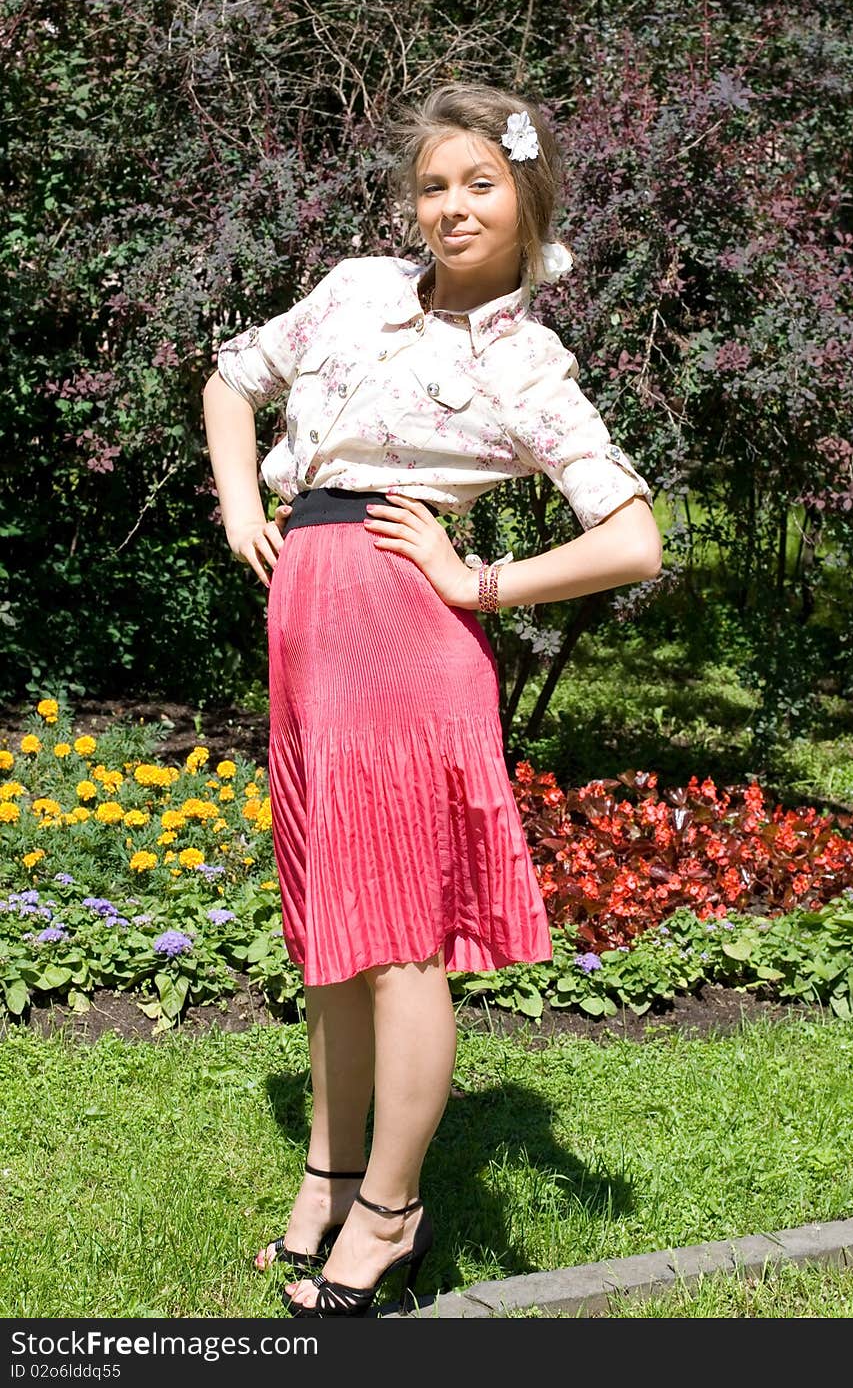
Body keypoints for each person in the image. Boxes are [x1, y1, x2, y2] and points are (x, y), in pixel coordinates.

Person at [201, 81, 662, 1319]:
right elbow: (233, 378)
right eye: (434, 185)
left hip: (408, 640)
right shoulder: (354, 288)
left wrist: (484, 578)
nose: (452, 207)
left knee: (397, 943)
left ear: (525, 199)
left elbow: (632, 538)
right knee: (333, 943)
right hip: (306, 622)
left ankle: (392, 1215)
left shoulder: (521, 356)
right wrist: (245, 505)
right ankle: (327, 1179)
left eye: (480, 183)